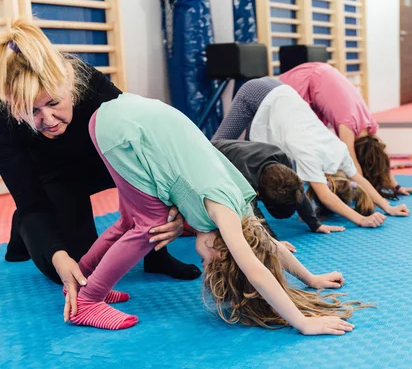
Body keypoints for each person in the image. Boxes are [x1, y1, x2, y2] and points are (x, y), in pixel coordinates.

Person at [72, 92, 364, 334]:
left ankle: (81, 277)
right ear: (222, 250)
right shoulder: (221, 211)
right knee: (148, 226)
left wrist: (310, 278)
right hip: (124, 131)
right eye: (209, 261)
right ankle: (88, 300)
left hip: (134, 112)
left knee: (127, 222)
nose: (203, 258)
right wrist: (301, 322)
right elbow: (254, 269)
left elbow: (266, 245)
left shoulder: (239, 206)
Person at [0, 19, 200, 318]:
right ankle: (22, 231)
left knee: (145, 194)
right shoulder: (4, 123)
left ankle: (158, 258)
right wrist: (57, 256)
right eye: (32, 112)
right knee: (71, 271)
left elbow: (146, 150)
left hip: (104, 164)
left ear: (70, 86)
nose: (50, 120)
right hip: (55, 179)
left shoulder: (89, 82)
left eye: (54, 103)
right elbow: (32, 203)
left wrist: (174, 210)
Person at [212, 77, 410, 228]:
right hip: (256, 94)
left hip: (279, 90)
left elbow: (359, 179)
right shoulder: (310, 157)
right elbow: (325, 196)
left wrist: (387, 207)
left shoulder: (338, 150)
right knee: (215, 151)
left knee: (249, 161)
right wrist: (362, 220)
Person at [279, 62, 412, 198]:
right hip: (307, 79)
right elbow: (353, 166)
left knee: (310, 139)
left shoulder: (370, 125)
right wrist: (367, 194)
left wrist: (396, 187)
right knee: (292, 137)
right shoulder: (348, 126)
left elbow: (381, 157)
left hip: (324, 73)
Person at [212, 140, 345, 249]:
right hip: (211, 158)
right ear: (260, 194)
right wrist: (273, 241)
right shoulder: (244, 179)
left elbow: (297, 191)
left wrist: (315, 224)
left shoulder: (281, 158)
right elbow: (253, 213)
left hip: (237, 153)